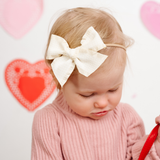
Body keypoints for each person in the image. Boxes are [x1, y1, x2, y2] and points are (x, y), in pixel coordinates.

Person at [31, 7, 160, 160]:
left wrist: (157, 143)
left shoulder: (127, 118)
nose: (102, 102)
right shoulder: (49, 120)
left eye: (113, 89)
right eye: (88, 94)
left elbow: (141, 156)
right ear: (61, 81)